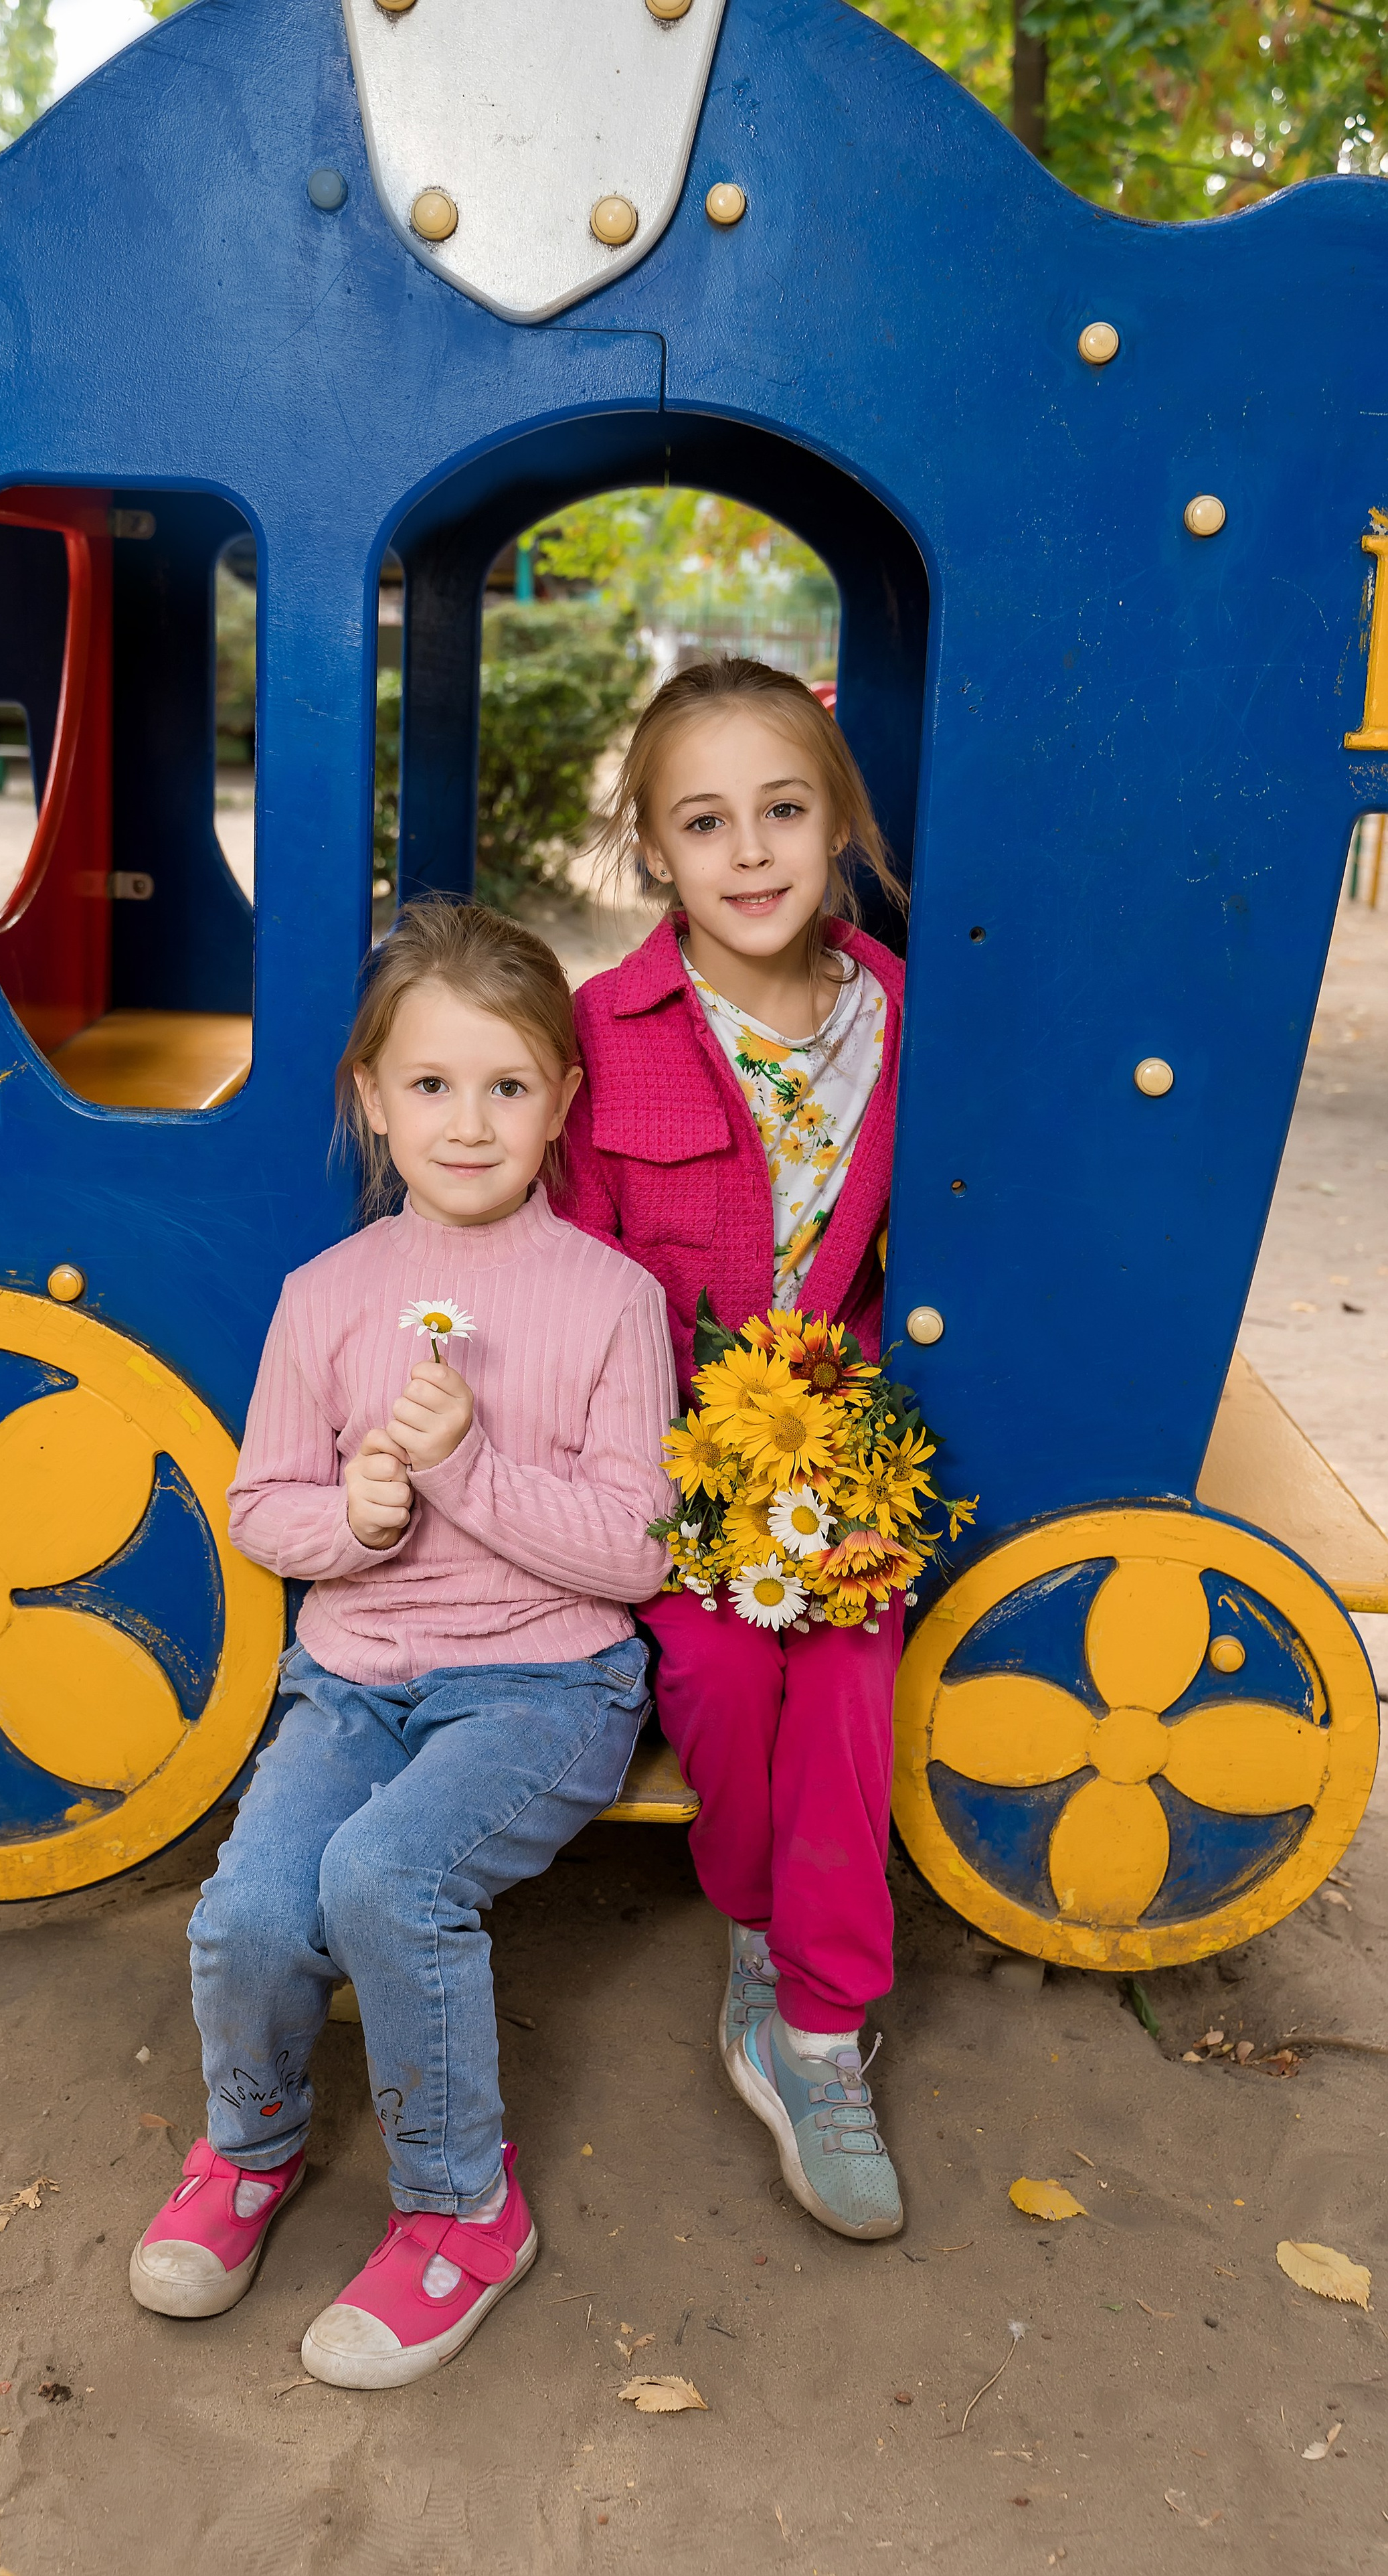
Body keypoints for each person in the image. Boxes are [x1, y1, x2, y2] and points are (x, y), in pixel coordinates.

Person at [130, 900, 677, 2385]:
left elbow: (637, 1549)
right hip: (355, 1674)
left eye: (508, 1084)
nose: (468, 1119)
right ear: (371, 1098)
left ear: (562, 1100)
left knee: (383, 1876)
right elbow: (262, 1507)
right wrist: (360, 1514)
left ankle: (460, 2211)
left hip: (544, 1682)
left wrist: (459, 1475)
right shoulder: (328, 1296)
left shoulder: (612, 1301)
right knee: (252, 1908)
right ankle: (248, 2150)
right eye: (429, 1084)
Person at [552, 657, 909, 2241]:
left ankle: (817, 2026)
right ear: (654, 850)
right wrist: (653, 1473)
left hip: (834, 1444)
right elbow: (570, 1280)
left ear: (838, 822)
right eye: (705, 823)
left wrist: (846, 1462)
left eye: (781, 809)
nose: (749, 852)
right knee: (711, 1674)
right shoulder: (602, 1030)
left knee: (845, 1670)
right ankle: (756, 1930)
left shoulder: (902, 1008)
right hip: (667, 1451)